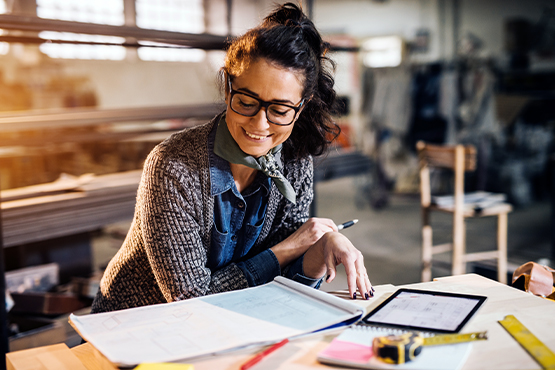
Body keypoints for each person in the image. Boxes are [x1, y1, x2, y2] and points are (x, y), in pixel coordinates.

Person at [91, 2, 373, 314]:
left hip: (227, 324)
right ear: (228, 88)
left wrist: (319, 252)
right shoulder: (172, 167)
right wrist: (289, 248)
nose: (259, 124)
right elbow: (191, 300)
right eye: (247, 101)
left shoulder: (295, 163)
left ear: (301, 108)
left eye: (279, 110)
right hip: (133, 327)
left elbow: (283, 283)